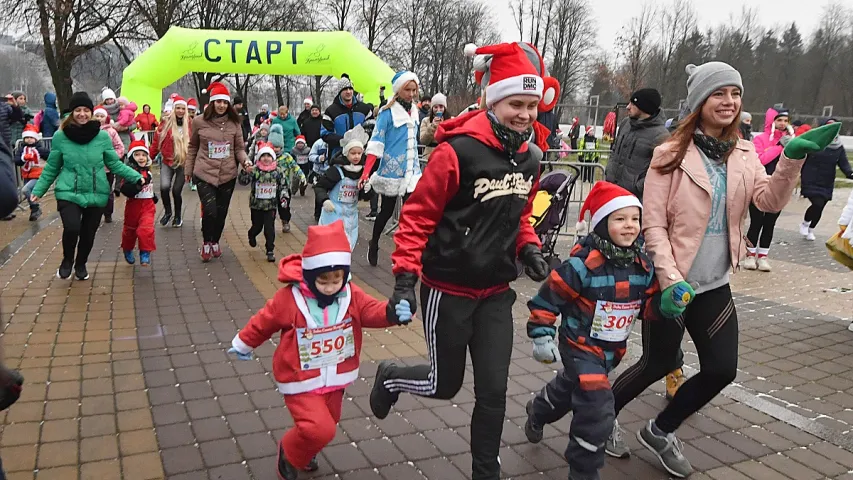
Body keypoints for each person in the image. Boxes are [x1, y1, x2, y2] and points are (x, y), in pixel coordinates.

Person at [605, 62, 839, 478]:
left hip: (713, 283)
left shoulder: (745, 153)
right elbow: (653, 224)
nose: (729, 102)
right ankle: (602, 417)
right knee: (658, 363)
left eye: (735, 94)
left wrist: (791, 158)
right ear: (700, 102)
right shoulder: (670, 153)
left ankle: (660, 431)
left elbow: (767, 202)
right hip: (670, 283)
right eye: (719, 94)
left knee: (721, 369)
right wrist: (669, 279)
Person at [368, 42, 553, 480]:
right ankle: (392, 377)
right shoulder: (457, 152)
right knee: (443, 384)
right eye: (515, 104)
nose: (525, 114)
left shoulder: (531, 158)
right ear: (494, 99)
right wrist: (403, 280)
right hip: (448, 291)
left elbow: (521, 212)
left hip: (495, 295)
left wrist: (527, 246)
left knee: (494, 392)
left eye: (532, 105)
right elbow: (416, 217)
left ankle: (484, 472)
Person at [227, 220, 411, 480]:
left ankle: (307, 444)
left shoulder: (350, 294)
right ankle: (290, 454)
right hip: (299, 377)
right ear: (310, 275)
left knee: (329, 420)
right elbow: (264, 321)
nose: (330, 287)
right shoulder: (291, 299)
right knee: (320, 429)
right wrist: (243, 343)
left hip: (334, 376)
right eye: (323, 281)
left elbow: (371, 311)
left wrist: (392, 312)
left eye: (337, 279)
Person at [523, 182, 682, 480]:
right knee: (597, 410)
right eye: (619, 219)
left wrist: (665, 305)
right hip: (579, 345)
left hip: (611, 352)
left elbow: (645, 308)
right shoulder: (580, 266)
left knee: (571, 388)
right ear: (601, 223)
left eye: (635, 219)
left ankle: (539, 409)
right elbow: (548, 299)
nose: (629, 226)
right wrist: (542, 334)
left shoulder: (642, 266)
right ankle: (583, 473)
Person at [31, 91, 144, 280]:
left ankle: (81, 263)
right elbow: (52, 166)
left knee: (88, 233)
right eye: (78, 110)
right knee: (72, 227)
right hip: (69, 191)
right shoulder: (61, 137)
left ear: (91, 112)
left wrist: (135, 176)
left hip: (96, 191)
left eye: (86, 110)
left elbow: (115, 164)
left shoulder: (102, 137)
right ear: (72, 112)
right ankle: (67, 260)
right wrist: (38, 190)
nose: (82, 114)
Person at [361, 71, 423, 266]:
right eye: (408, 90)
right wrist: (366, 173)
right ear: (398, 90)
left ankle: (407, 255)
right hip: (392, 172)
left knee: (411, 215)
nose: (411, 94)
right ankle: (374, 242)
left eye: (414, 90)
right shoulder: (387, 113)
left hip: (412, 172)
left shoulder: (414, 110)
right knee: (386, 212)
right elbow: (376, 143)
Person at [185, 82, 252, 262]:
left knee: (221, 212)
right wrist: (188, 169)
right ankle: (207, 242)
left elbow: (239, 148)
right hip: (204, 172)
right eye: (218, 102)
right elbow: (192, 147)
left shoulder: (234, 123)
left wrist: (245, 161)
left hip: (227, 174)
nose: (221, 105)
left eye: (224, 102)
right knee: (210, 210)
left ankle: (215, 241)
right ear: (212, 103)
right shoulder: (199, 121)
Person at [742, 107, 793, 272]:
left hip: (780, 187)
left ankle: (763, 256)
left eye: (785, 120)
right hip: (760, 185)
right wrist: (779, 147)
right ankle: (749, 255)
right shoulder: (760, 139)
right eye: (779, 120)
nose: (782, 124)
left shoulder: (791, 139)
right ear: (772, 121)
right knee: (756, 222)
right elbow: (760, 160)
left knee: (770, 223)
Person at [605, 88, 669, 199]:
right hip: (612, 191)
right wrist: (609, 170)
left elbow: (661, 171)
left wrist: (638, 187)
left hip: (634, 200)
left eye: (633, 104)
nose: (628, 107)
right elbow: (614, 149)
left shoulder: (662, 136)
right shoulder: (626, 124)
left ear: (644, 107)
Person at [316, 125, 369, 250]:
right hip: (333, 214)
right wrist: (325, 200)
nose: (356, 156)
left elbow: (363, 197)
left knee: (348, 248)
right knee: (332, 248)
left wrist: (368, 190)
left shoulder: (363, 172)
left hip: (351, 218)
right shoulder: (336, 170)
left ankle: (344, 269)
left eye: (359, 153)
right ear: (346, 153)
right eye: (353, 153)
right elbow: (319, 187)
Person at [799, 117, 852, 240]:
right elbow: (801, 155)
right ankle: (805, 223)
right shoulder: (814, 141)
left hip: (827, 180)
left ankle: (811, 229)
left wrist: (850, 173)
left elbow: (843, 163)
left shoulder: (838, 146)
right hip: (811, 177)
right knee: (817, 203)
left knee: (821, 205)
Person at [150, 94, 191, 227]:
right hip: (167, 161)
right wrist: (148, 158)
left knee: (176, 191)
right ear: (173, 109)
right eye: (177, 108)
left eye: (182, 108)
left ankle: (178, 216)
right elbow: (156, 143)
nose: (180, 111)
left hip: (183, 162)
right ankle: (168, 212)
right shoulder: (165, 125)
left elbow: (196, 144)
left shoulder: (190, 125)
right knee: (164, 187)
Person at [119, 140, 158, 266]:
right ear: (131, 157)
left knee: (146, 229)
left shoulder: (149, 172)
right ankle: (127, 248)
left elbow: (149, 187)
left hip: (147, 206)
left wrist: (153, 196)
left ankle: (145, 252)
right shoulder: (129, 173)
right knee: (130, 231)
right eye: (137, 155)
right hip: (133, 206)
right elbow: (124, 189)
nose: (141, 157)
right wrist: (137, 186)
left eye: (143, 154)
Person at [247, 142, 287, 262]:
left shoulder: (278, 172)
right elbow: (243, 180)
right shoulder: (255, 171)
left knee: (269, 227)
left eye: (268, 156)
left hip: (271, 205)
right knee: (257, 226)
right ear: (259, 158)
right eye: (263, 156)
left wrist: (283, 197)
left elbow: (283, 186)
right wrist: (245, 171)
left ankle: (270, 250)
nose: (266, 158)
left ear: (273, 158)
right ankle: (252, 234)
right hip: (256, 205)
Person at [321, 74, 373, 158]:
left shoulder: (364, 108)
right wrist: (343, 140)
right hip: (339, 155)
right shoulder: (331, 111)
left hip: (360, 155)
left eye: (350, 89)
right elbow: (325, 133)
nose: (348, 91)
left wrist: (360, 138)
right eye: (345, 89)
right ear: (339, 92)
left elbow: (372, 126)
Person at [267, 123, 306, 233]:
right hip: (271, 186)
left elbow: (295, 167)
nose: (275, 149)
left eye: (277, 147)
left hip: (284, 187)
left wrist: (302, 176)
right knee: (271, 207)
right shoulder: (266, 157)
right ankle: (270, 223)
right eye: (273, 147)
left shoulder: (286, 157)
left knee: (284, 206)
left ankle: (285, 221)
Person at [93, 106, 125, 223]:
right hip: (93, 167)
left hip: (107, 167)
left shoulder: (111, 132)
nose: (99, 118)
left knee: (107, 190)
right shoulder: (88, 131)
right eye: (97, 116)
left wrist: (112, 158)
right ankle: (95, 212)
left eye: (102, 116)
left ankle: (108, 213)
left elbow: (120, 147)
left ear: (106, 118)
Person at [14, 125, 50, 221]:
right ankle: (34, 210)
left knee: (25, 190)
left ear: (35, 138)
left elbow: (51, 158)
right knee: (29, 192)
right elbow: (16, 161)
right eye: (27, 138)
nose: (29, 140)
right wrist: (24, 158)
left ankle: (35, 208)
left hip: (38, 174)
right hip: (27, 175)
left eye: (31, 137)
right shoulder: (22, 150)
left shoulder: (41, 149)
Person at [418, 93, 448, 159]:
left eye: (441, 107)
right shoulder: (425, 120)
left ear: (445, 108)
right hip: (429, 156)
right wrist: (432, 126)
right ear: (432, 108)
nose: (438, 110)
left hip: (445, 155)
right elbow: (423, 140)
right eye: (435, 107)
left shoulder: (450, 120)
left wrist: (443, 125)